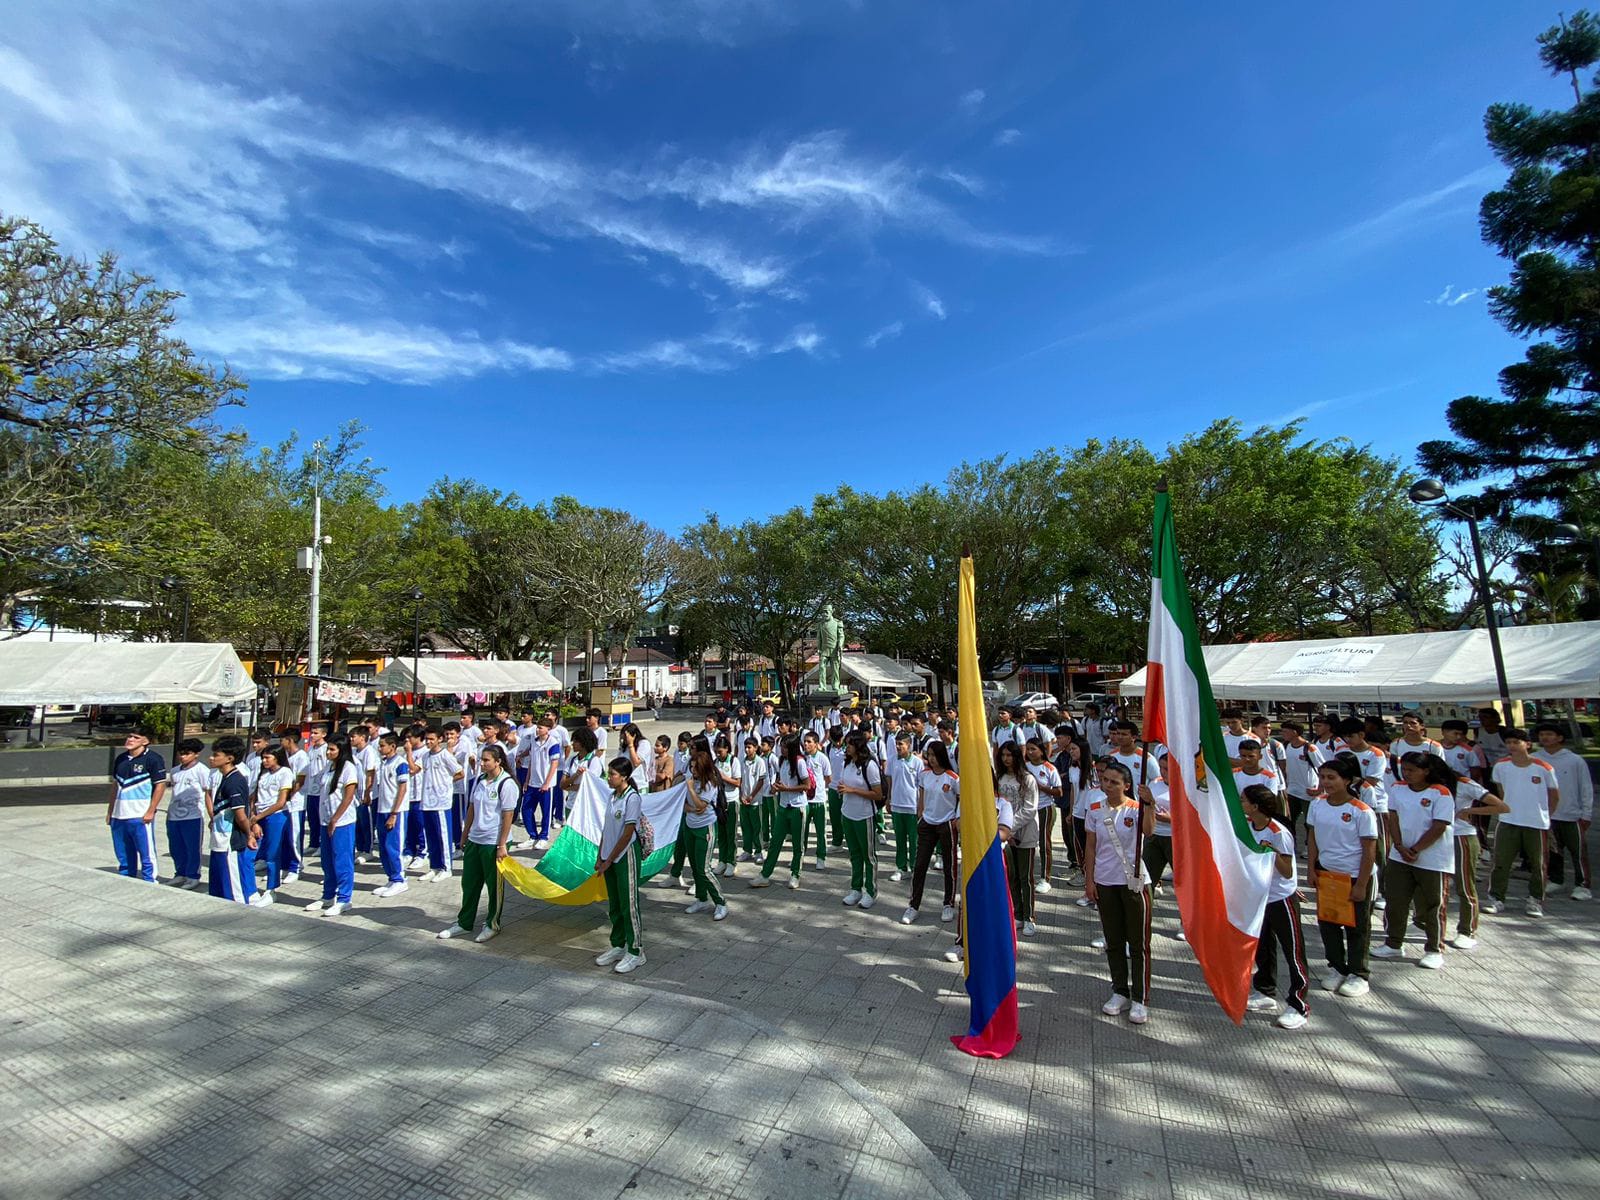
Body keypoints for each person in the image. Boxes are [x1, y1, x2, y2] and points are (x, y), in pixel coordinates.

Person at [1085, 760, 1155, 1023]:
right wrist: (1089, 880)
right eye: (1105, 780)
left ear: (1127, 785)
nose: (1108, 786)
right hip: (1105, 880)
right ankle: (1119, 990)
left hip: (1134, 882)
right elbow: (1091, 846)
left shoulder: (1136, 809)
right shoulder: (1094, 809)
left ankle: (1140, 997)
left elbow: (1149, 831)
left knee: (1138, 944)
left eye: (1114, 782)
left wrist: (1149, 804)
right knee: (1113, 941)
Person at [1373, 752, 1457, 970]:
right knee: (1395, 900)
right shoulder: (1398, 788)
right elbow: (1393, 817)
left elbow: (1439, 826)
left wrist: (1416, 848)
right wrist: (1400, 846)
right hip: (1400, 856)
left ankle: (1434, 949)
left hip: (1432, 859)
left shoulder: (1441, 793)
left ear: (1426, 771)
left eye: (1412, 770)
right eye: (1405, 769)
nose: (1407, 774)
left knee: (1433, 905)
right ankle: (1393, 942)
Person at [1306, 755, 1379, 998]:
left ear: (1347, 780)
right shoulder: (1317, 804)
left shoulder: (1361, 811)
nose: (1326, 782)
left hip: (1355, 875)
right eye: (1323, 777)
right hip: (1328, 874)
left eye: (1332, 778)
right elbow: (1312, 837)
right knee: (1329, 923)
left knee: (1357, 927)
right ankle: (1336, 966)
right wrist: (1311, 869)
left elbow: (1369, 849)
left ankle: (1359, 973)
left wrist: (1361, 884)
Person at [1241, 784, 1310, 1029]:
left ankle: (1299, 1004)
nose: (1241, 804)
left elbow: (1287, 869)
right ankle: (1265, 991)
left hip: (1281, 898)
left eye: (1244, 801)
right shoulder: (1249, 826)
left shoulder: (1278, 832)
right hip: (1260, 896)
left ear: (1256, 806)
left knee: (1293, 951)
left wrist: (1270, 852)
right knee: (1263, 946)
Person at [439, 744, 519, 943]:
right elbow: (472, 808)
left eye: (486, 760)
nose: (482, 763)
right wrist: (465, 834)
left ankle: (492, 924)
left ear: (498, 761)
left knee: (494, 887)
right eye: (482, 759)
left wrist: (502, 845)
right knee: (470, 883)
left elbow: (508, 815)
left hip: (493, 842)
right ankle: (464, 922)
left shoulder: (507, 784)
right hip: (476, 839)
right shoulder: (479, 781)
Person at [1486, 728, 1559, 916]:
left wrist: (1545, 815)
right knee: (1501, 861)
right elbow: (1501, 792)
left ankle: (1535, 900)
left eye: (1516, 742)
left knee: (1538, 863)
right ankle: (1496, 898)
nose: (1512, 746)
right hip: (1509, 820)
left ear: (1527, 744)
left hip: (1536, 823)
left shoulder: (1543, 767)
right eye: (1508, 742)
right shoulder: (1501, 766)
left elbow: (1554, 796)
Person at [593, 756, 646, 973]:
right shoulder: (612, 796)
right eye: (608, 773)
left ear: (624, 777)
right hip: (609, 856)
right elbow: (607, 829)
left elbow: (626, 834)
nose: (609, 777)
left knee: (629, 903)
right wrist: (600, 856)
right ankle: (618, 944)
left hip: (625, 856)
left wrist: (611, 858)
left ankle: (636, 951)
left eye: (613, 774)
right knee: (614, 903)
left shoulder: (632, 798)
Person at [1446, 766, 1505, 950]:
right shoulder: (1426, 785)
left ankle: (1467, 931)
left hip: (1461, 836)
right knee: (1432, 884)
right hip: (1436, 837)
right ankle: (1421, 922)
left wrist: (1470, 812)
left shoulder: (1464, 784)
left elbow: (1500, 806)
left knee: (1464, 885)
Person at [903, 740, 959, 924]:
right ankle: (913, 905)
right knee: (920, 866)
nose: (932, 759)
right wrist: (920, 816)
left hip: (946, 824)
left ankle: (948, 904)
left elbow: (961, 800)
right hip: (927, 823)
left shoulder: (952, 778)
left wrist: (955, 820)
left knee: (949, 867)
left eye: (935, 755)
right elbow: (921, 797)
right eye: (929, 755)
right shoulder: (924, 775)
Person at [1537, 723, 1593, 900]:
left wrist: (1586, 813)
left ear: (1560, 738)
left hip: (1572, 814)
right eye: (1542, 734)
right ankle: (1556, 879)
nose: (1545, 738)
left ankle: (1582, 885)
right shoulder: (1535, 759)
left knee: (1578, 852)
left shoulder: (1575, 760)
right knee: (1553, 850)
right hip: (1547, 815)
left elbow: (1585, 788)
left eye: (1549, 734)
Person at [307, 733, 361, 916]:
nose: (328, 752)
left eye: (332, 749)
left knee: (342, 860)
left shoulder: (349, 768)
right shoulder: (329, 767)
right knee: (327, 860)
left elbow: (348, 797)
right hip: (326, 820)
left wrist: (335, 819)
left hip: (342, 822)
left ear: (341, 750)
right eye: (328, 749)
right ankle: (328, 895)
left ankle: (344, 898)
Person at [750, 734, 811, 891]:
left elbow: (806, 785)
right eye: (781, 746)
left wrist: (787, 789)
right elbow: (779, 778)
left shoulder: (799, 762)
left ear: (791, 748)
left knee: (798, 844)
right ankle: (765, 875)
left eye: (784, 747)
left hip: (798, 808)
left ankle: (795, 874)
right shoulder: (782, 761)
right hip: (783, 807)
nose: (781, 749)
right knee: (775, 841)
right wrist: (776, 786)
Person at [108, 727, 167, 882]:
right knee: (123, 853)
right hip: (119, 815)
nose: (130, 739)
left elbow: (160, 786)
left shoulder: (153, 759)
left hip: (139, 815)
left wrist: (150, 811)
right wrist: (110, 812)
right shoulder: (121, 759)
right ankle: (126, 879)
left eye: (135, 737)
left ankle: (150, 880)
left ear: (145, 741)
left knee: (146, 852)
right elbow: (115, 785)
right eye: (129, 736)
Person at [996, 741, 1041, 936]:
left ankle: (1030, 917)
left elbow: (1030, 808)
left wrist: (1010, 827)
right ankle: (1017, 913)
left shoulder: (1028, 779)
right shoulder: (1001, 778)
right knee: (1011, 876)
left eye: (1010, 755)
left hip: (1025, 833)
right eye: (1004, 755)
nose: (1007, 759)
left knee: (1026, 877)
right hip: (1006, 836)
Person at [682, 738, 730, 921]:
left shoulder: (709, 784)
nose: (692, 770)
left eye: (695, 767)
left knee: (704, 869)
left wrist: (692, 792)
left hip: (705, 828)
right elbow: (686, 805)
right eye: (691, 766)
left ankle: (720, 902)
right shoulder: (691, 780)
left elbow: (701, 805)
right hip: (690, 825)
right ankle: (701, 898)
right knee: (694, 866)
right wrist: (692, 806)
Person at [205, 736, 257, 903]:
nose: (211, 758)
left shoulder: (236, 780)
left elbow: (240, 815)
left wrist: (248, 834)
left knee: (234, 890)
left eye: (216, 755)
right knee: (218, 886)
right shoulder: (223, 777)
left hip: (230, 841)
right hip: (218, 840)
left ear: (230, 758)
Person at [836, 734, 884, 909]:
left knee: (868, 856)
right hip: (847, 814)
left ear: (858, 745)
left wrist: (852, 790)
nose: (846, 747)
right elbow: (844, 785)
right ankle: (855, 888)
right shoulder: (847, 763)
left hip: (864, 816)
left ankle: (871, 891)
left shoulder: (869, 765)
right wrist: (843, 790)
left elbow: (877, 794)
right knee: (854, 854)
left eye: (849, 744)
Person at [248, 745, 294, 905]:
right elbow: (253, 797)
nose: (264, 760)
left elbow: (281, 802)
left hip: (275, 816)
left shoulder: (285, 773)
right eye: (263, 757)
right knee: (252, 852)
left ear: (277, 757)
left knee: (272, 854)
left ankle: (271, 890)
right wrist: (254, 816)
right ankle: (250, 888)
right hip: (259, 816)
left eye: (268, 757)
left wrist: (258, 817)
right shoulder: (263, 773)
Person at [416, 727, 463, 882]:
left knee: (443, 836)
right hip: (427, 802)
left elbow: (459, 772)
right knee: (432, 836)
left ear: (439, 739)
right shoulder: (425, 756)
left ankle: (446, 868)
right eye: (427, 739)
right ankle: (434, 866)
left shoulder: (445, 755)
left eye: (432, 739)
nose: (429, 742)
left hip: (441, 802)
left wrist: (447, 782)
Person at [164, 737, 209, 890]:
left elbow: (208, 792)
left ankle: (193, 875)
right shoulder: (175, 771)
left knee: (192, 847)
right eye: (181, 754)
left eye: (187, 754)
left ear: (196, 754)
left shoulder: (202, 770)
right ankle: (180, 873)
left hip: (193, 816)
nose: (183, 757)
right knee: (176, 847)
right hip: (174, 815)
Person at [372, 731, 412, 898]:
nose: (380, 748)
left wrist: (394, 813)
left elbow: (402, 788)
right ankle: (391, 877)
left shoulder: (400, 763)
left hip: (396, 811)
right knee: (383, 848)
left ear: (393, 746)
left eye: (382, 746)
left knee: (393, 847)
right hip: (382, 809)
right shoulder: (383, 763)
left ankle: (400, 879)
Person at [1278, 721, 1323, 853]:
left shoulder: (1310, 748)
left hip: (1308, 791)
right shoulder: (1286, 746)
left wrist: (1319, 789)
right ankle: (1291, 845)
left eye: (1285, 731)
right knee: (1289, 820)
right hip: (1291, 790)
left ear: (1295, 732)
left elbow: (1322, 768)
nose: (1282, 734)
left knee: (1309, 823)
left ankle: (1310, 848)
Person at [1025, 738, 1062, 893]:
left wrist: (1041, 787)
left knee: (1044, 842)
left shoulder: (1049, 768)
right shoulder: (1024, 766)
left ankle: (1045, 878)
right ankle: (1026, 874)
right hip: (1027, 809)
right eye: (1028, 749)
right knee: (1027, 842)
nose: (1030, 752)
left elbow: (1059, 791)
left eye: (1033, 749)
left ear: (1041, 750)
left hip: (1044, 808)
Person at [886, 732, 920, 883]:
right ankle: (901, 867)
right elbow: (890, 780)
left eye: (901, 744)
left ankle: (914, 868)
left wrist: (921, 806)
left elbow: (921, 786)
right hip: (897, 805)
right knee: (900, 839)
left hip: (912, 806)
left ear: (909, 745)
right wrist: (888, 798)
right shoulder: (892, 760)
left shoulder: (917, 763)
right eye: (897, 744)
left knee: (913, 839)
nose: (898, 747)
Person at [802, 730, 833, 870]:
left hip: (819, 800)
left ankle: (821, 857)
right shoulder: (802, 758)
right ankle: (800, 856)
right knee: (802, 831)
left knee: (820, 831)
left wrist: (819, 790)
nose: (806, 744)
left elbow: (828, 778)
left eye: (809, 742)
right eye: (805, 741)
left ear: (816, 743)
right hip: (804, 801)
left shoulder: (822, 758)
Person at [712, 735, 741, 877]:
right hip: (719, 802)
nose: (718, 754)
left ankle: (731, 862)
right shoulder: (715, 761)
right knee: (721, 834)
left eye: (720, 751)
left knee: (731, 834)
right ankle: (722, 861)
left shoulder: (734, 761)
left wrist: (723, 777)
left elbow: (737, 782)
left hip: (731, 800)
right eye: (716, 751)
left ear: (727, 749)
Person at [351, 724, 379, 866]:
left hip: (367, 794)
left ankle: (368, 850)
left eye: (353, 737)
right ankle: (360, 848)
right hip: (356, 795)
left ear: (362, 738)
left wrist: (368, 792)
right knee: (358, 824)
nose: (351, 739)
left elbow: (370, 773)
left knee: (367, 823)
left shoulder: (369, 752)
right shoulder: (355, 752)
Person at [738, 736, 768, 863]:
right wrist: (741, 796)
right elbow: (739, 780)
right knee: (745, 826)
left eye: (749, 747)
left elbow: (761, 781)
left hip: (756, 801)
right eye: (745, 747)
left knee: (757, 827)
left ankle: (759, 851)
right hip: (744, 800)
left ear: (756, 748)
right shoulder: (742, 761)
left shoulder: (760, 762)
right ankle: (747, 850)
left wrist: (752, 796)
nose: (747, 749)